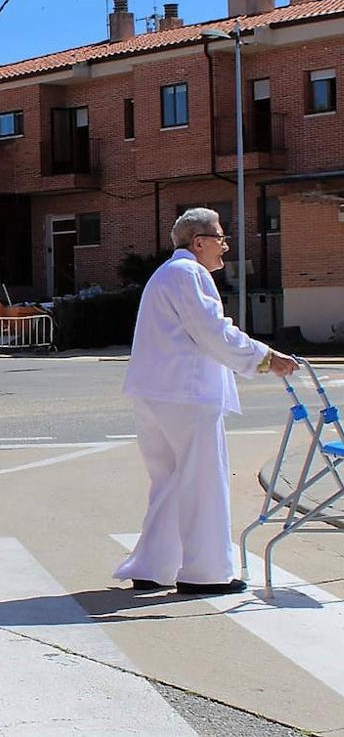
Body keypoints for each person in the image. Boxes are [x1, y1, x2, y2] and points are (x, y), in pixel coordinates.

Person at [116, 207, 299, 596]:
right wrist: (266, 358)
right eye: (220, 238)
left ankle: (154, 565)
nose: (226, 247)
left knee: (168, 481)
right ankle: (206, 572)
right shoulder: (190, 274)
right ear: (198, 242)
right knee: (202, 483)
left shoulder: (166, 274)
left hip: (155, 393)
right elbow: (213, 332)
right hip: (186, 394)